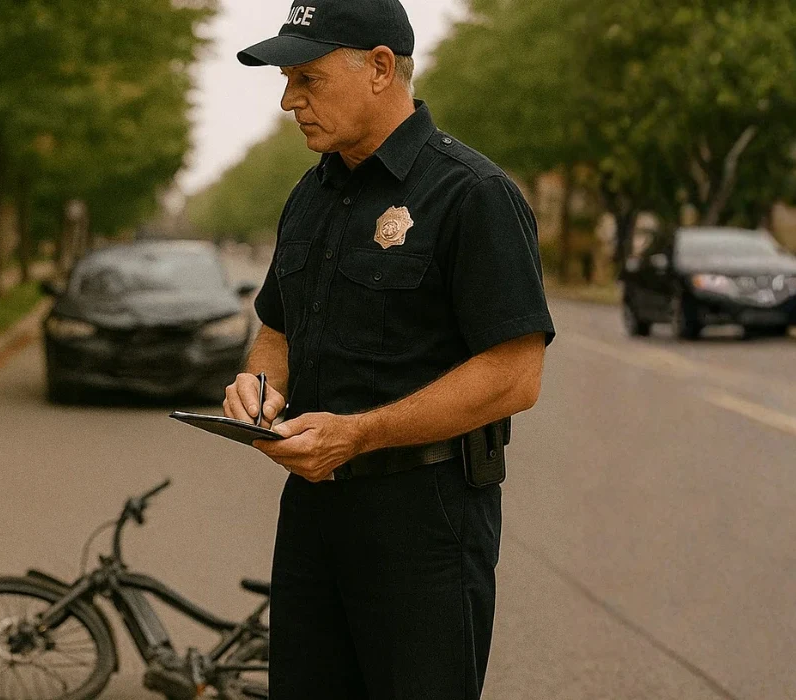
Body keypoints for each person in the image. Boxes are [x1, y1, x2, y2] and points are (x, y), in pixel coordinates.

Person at [223, 1, 555, 698]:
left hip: (425, 523)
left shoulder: (472, 194)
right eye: (285, 81)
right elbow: (275, 329)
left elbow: (514, 376)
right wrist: (258, 385)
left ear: (380, 67)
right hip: (315, 513)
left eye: (307, 78)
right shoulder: (308, 198)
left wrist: (360, 434)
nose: (289, 101)